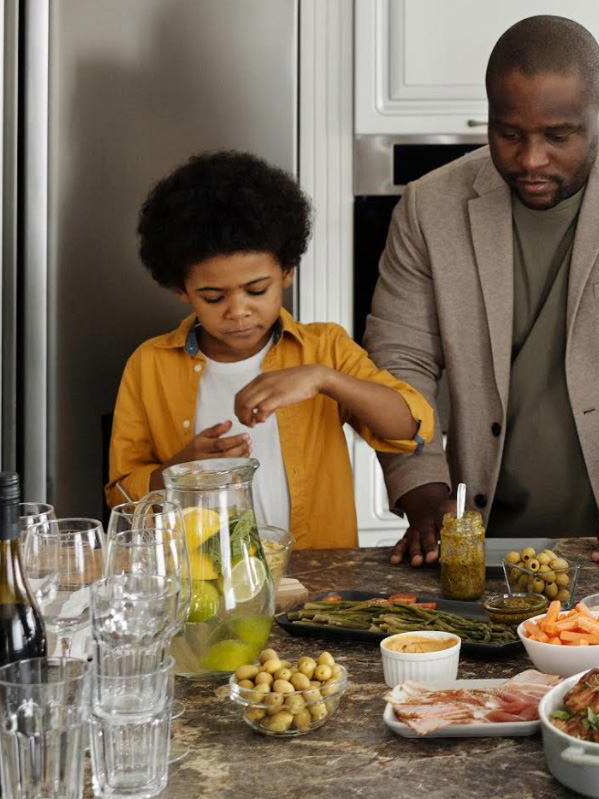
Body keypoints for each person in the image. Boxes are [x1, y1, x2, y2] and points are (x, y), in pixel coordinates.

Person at [367, 16, 599, 569]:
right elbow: (400, 360)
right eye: (509, 133)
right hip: (484, 537)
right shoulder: (430, 206)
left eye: (558, 136)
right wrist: (422, 490)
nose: (531, 160)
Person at [106, 151, 433, 549]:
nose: (238, 311)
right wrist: (181, 471)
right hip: (198, 583)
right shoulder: (149, 365)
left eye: (257, 290)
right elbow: (121, 497)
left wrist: (323, 379)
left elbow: (410, 429)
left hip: (317, 581)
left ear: (288, 271)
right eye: (212, 297)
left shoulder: (323, 348)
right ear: (181, 290)